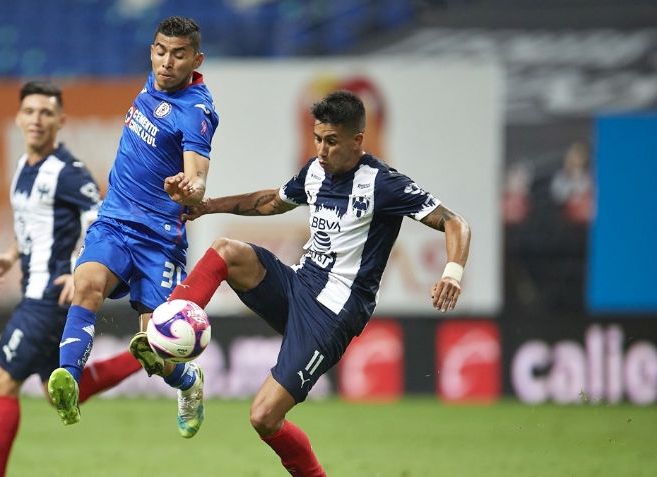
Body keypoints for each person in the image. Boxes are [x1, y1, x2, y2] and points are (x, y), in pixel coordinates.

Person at [166, 90, 471, 475]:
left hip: (332, 314)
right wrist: (208, 206)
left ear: (357, 140)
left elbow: (454, 222)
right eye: (317, 139)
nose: (322, 150)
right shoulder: (314, 172)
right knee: (227, 251)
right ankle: (170, 322)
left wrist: (452, 272)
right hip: (298, 285)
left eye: (331, 141)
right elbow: (270, 202)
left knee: (263, 417)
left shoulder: (383, 183)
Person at [47, 16, 220, 439]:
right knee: (86, 282)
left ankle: (187, 381)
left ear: (196, 59)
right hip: (115, 220)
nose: (166, 62)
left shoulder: (197, 112)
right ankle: (68, 376)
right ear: (151, 51)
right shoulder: (153, 82)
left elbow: (198, 178)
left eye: (179, 55)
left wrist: (190, 189)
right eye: (160, 51)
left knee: (158, 354)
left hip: (160, 240)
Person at [0, 81, 143, 477]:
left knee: (1, 381)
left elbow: (100, 220)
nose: (37, 120)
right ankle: (148, 352)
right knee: (64, 391)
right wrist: (12, 254)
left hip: (47, 296)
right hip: (34, 288)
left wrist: (78, 268)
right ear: (19, 118)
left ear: (61, 120)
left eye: (46, 113)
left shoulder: (68, 173)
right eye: (31, 112)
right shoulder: (23, 167)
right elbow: (34, 227)